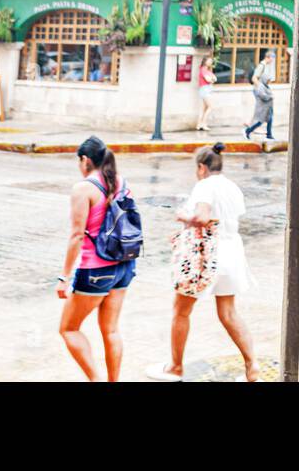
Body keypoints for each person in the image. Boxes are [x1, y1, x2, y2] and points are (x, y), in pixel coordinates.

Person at [147, 143, 257, 382]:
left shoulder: (204, 186)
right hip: (232, 254)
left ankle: (175, 367)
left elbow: (202, 217)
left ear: (201, 167)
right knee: (228, 313)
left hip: (206, 257)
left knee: (180, 311)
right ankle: (252, 367)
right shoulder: (232, 187)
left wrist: (182, 216)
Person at [57, 136, 135, 382]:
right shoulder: (121, 181)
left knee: (68, 329)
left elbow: (77, 236)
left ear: (85, 160)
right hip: (124, 265)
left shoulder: (83, 188)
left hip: (96, 270)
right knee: (111, 329)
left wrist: (64, 277)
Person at [243, 59, 273, 140]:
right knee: (261, 121)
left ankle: (269, 135)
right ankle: (248, 131)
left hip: (268, 106)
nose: (269, 81)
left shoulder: (265, 86)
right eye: (268, 80)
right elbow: (263, 96)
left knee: (269, 119)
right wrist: (269, 97)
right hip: (264, 107)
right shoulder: (260, 87)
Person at [196, 56, 216, 132]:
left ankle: (199, 124)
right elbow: (208, 80)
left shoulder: (207, 70)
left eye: (211, 61)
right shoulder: (203, 69)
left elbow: (215, 78)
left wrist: (212, 79)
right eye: (209, 61)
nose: (211, 62)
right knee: (210, 107)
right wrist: (212, 80)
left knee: (204, 108)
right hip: (205, 90)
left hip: (205, 90)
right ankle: (203, 124)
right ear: (205, 61)